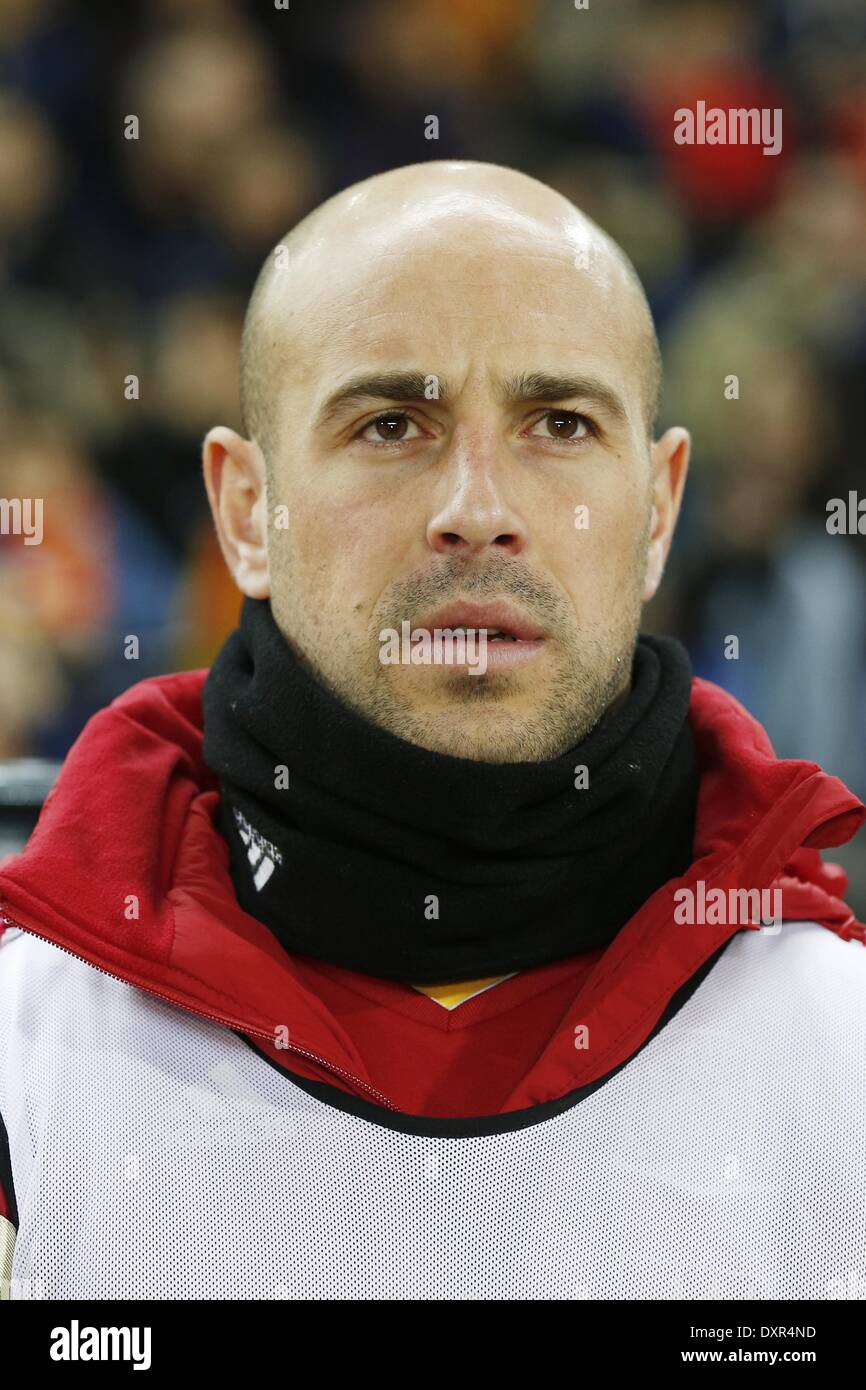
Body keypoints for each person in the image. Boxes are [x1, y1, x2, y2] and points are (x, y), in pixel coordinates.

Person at [1, 162, 863, 1302]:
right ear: (246, 512)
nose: (478, 510)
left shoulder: (840, 1061)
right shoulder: (23, 1068)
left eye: (557, 423)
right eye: (392, 423)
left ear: (655, 513)